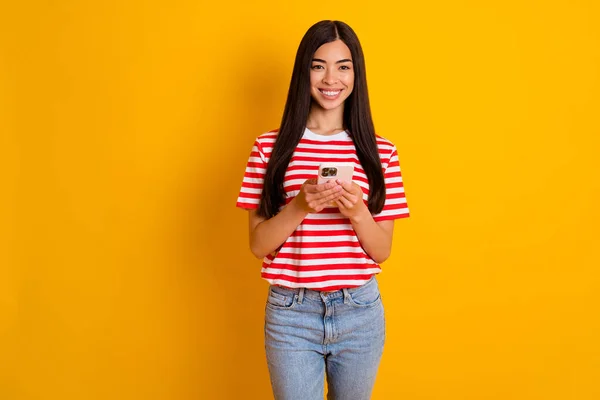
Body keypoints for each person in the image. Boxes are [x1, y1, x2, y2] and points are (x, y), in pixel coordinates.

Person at [236, 20, 410, 400]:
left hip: (359, 311)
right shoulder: (270, 147)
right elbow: (258, 245)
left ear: (355, 73)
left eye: (343, 66)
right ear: (305, 72)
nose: (331, 78)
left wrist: (359, 212)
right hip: (291, 313)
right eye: (318, 65)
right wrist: (300, 206)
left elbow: (382, 251)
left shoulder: (381, 152)